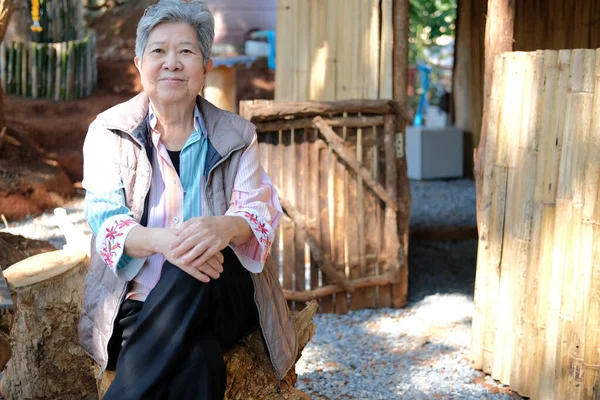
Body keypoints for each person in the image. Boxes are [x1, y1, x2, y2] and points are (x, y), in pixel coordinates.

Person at [77, 1, 297, 398]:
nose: (172, 63)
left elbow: (259, 210)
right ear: (139, 62)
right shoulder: (108, 132)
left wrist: (222, 227)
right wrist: (170, 243)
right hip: (135, 305)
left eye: (186, 52)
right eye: (159, 51)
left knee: (192, 261)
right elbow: (107, 224)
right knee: (200, 358)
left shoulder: (237, 134)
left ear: (206, 67)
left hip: (221, 297)